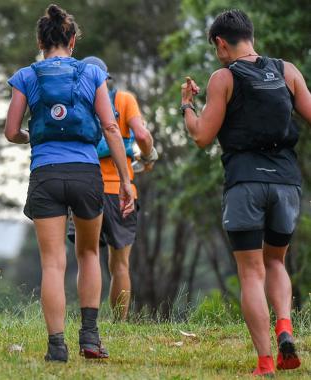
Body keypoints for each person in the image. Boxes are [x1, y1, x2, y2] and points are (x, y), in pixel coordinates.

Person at [180, 9, 311, 376]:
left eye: (216, 47)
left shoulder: (223, 78)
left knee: (252, 272)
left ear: (222, 43)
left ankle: (266, 362)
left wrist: (187, 105)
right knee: (275, 262)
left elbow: (202, 136)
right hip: (286, 182)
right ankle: (284, 326)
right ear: (249, 35)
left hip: (245, 183)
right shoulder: (287, 71)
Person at [4, 4, 134, 362]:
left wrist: (32, 135)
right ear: (72, 40)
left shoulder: (26, 76)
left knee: (52, 264)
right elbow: (110, 127)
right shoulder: (92, 74)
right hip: (86, 174)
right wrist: (124, 179)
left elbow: (11, 131)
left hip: (45, 174)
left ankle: (56, 347)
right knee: (90, 253)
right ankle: (90, 338)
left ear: (39, 41)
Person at [68, 56, 157, 321]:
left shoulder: (76, 102)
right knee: (120, 264)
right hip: (121, 190)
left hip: (85, 187)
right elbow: (141, 135)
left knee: (87, 257)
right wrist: (148, 156)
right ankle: (119, 323)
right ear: (106, 79)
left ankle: (89, 321)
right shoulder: (124, 100)